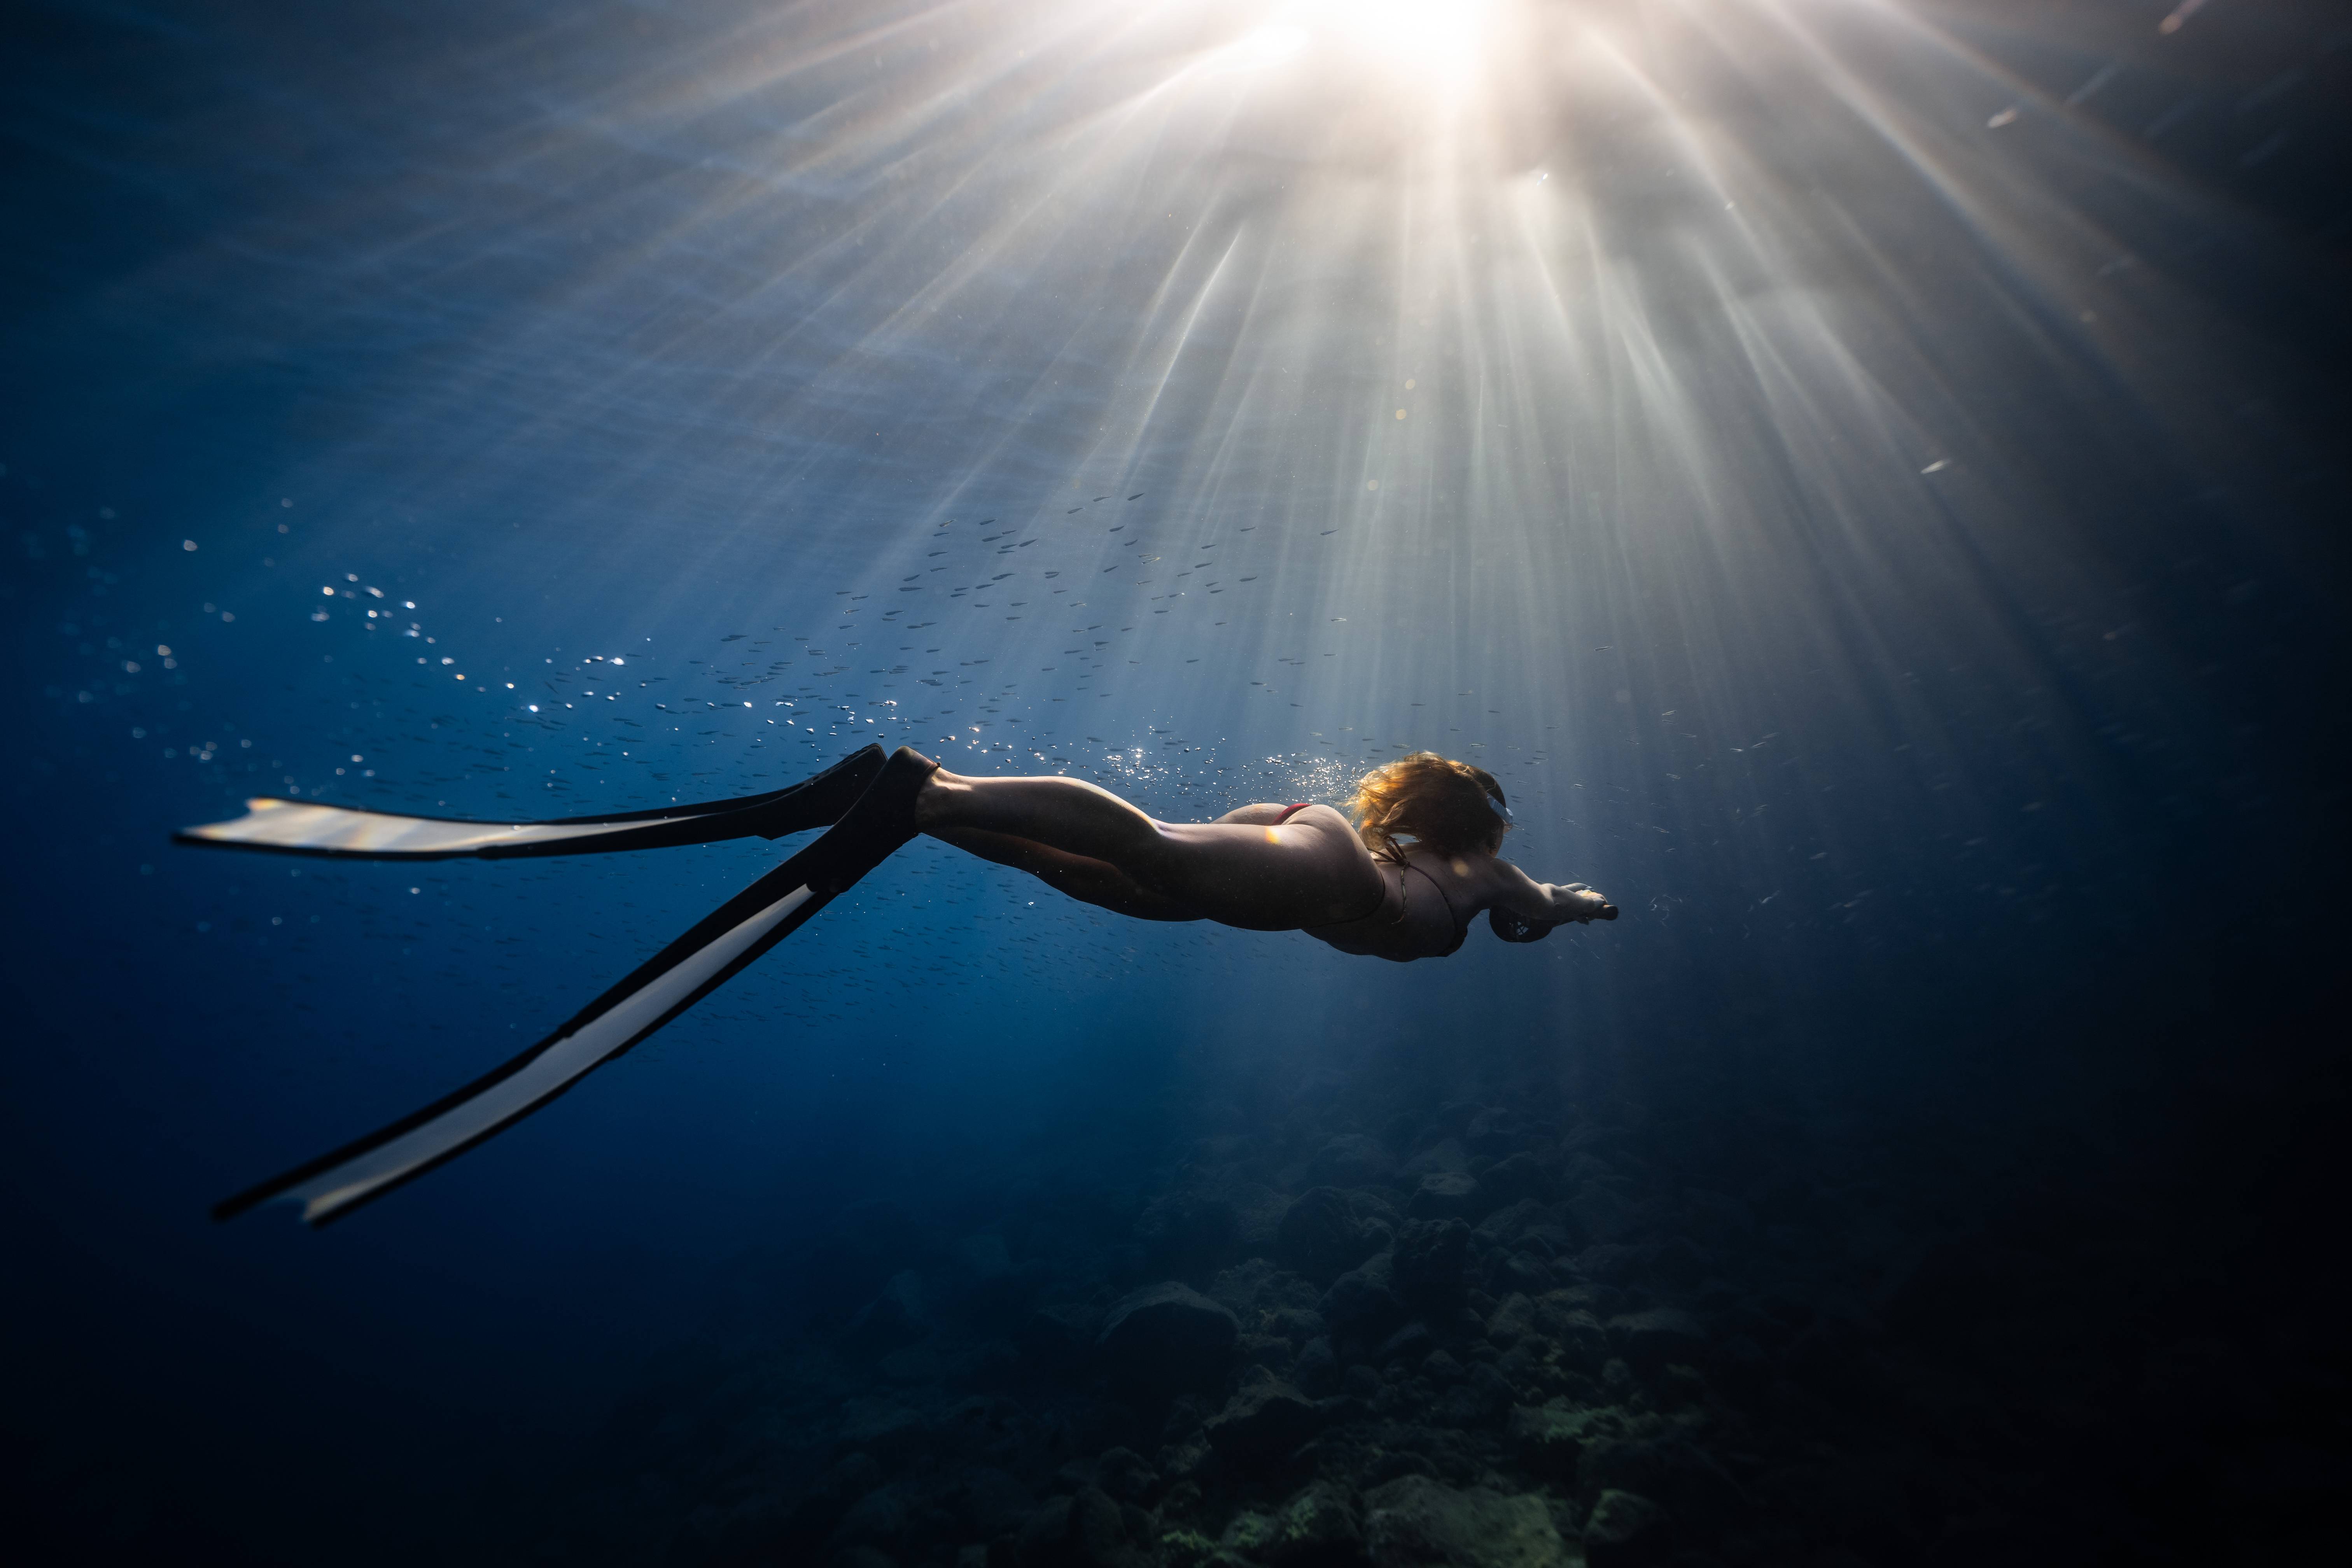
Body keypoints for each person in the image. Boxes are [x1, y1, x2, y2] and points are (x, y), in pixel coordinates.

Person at [912, 749, 1616, 961]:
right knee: (1145, 845)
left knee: (1107, 880)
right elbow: (1546, 902)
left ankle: (922, 817)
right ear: (1488, 829)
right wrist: (1585, 906)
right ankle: (940, 792)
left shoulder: (1423, 856)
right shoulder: (1489, 873)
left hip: (1313, 860)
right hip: (1337, 881)